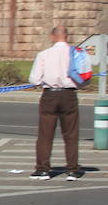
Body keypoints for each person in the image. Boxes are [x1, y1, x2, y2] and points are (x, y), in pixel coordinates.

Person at [29, 25, 87, 180]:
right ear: (67, 36)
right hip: (69, 95)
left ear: (52, 37)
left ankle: (42, 169)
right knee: (71, 134)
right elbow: (84, 77)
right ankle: (72, 170)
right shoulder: (76, 54)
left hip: (50, 95)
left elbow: (34, 79)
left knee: (45, 134)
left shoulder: (44, 54)